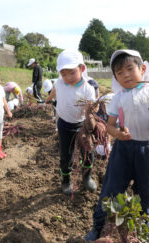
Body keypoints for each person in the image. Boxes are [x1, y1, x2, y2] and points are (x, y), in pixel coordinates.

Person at [85, 50, 149, 243]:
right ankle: (98, 226)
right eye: (119, 73)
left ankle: (145, 229)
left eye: (130, 69)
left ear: (143, 69)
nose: (126, 75)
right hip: (123, 150)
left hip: (147, 149)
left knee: (146, 192)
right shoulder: (117, 97)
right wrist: (118, 134)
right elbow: (110, 125)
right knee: (111, 189)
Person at [45, 49, 96, 196]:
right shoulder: (60, 83)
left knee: (88, 152)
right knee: (66, 155)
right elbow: (54, 91)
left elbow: (88, 111)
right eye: (63, 73)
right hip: (64, 125)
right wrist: (48, 99)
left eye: (72, 72)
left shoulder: (88, 89)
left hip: (81, 125)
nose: (67, 77)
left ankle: (87, 177)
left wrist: (91, 124)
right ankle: (66, 180)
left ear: (82, 68)